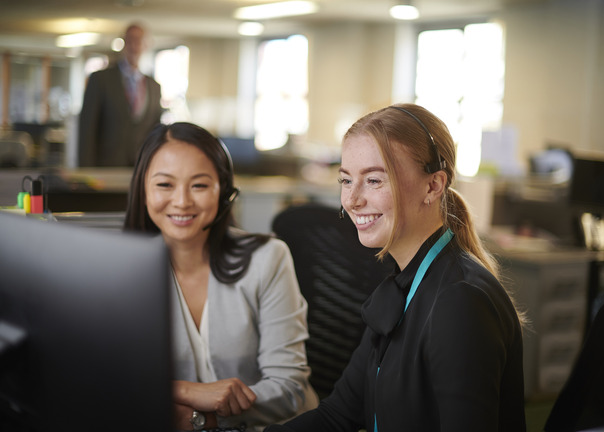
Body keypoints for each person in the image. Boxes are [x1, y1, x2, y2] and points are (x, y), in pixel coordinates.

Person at [265, 103, 527, 432]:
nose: (352, 200)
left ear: (433, 186)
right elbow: (337, 416)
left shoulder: (460, 302)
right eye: (346, 181)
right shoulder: (402, 285)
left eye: (374, 181)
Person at [123, 122, 319, 431]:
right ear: (143, 189)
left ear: (224, 192)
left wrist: (203, 418)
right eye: (165, 185)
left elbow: (289, 388)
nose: (182, 201)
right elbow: (114, 381)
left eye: (199, 185)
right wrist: (187, 390)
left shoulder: (267, 258)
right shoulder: (123, 274)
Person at [78, 22, 162, 167]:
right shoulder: (100, 79)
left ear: (146, 45)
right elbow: (87, 128)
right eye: (130, 40)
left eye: (139, 41)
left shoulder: (154, 87)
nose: (134, 46)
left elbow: (156, 132)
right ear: (123, 43)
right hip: (106, 167)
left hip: (141, 167)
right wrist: (86, 170)